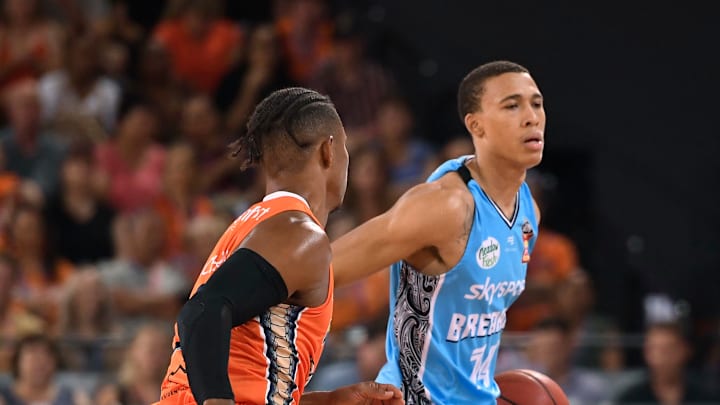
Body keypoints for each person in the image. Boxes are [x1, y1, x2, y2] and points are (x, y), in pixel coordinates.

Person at [154, 87, 403, 405]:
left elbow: (249, 374)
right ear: (328, 151)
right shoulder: (298, 233)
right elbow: (200, 313)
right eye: (345, 150)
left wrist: (330, 401)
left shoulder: (256, 224)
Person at [332, 60, 545, 404]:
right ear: (477, 126)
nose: (531, 116)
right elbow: (325, 268)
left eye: (536, 103)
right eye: (512, 105)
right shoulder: (446, 206)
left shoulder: (527, 210)